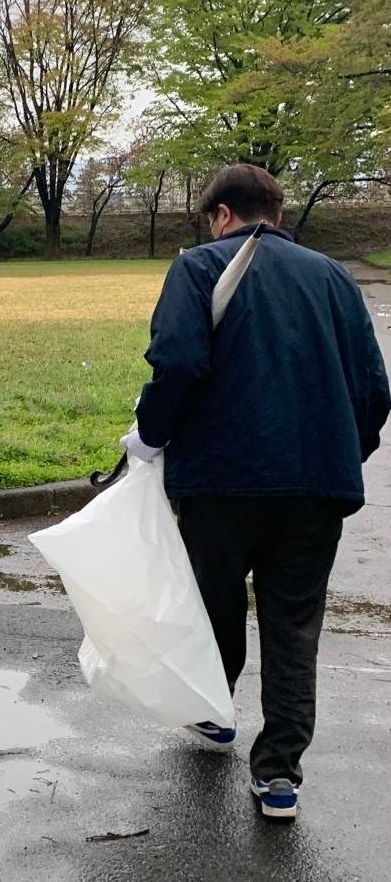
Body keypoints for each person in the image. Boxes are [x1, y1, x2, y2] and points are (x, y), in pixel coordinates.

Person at [121, 164, 390, 820]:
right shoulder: (333, 276)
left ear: (221, 214)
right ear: (275, 211)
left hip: (220, 480)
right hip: (315, 483)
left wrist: (150, 436)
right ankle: (278, 775)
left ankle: (215, 715)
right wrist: (340, 453)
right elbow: (375, 388)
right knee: (294, 625)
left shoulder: (197, 268)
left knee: (214, 605)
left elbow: (180, 361)